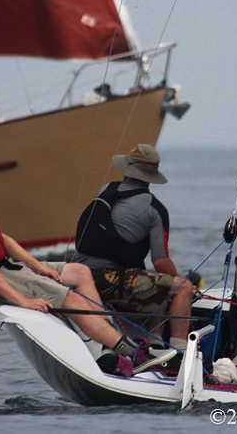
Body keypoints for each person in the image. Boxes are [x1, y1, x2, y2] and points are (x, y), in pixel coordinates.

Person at [0, 146, 176, 374]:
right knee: (72, 299)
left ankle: (107, 348)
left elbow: (0, 239)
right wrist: (25, 302)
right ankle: (133, 353)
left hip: (7, 268)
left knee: (80, 272)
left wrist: (38, 267)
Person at [74, 144, 195, 358]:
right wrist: (180, 281)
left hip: (80, 276)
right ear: (151, 176)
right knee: (181, 286)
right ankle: (179, 352)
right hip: (108, 282)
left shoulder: (106, 190)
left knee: (159, 281)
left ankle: (155, 343)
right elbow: (160, 261)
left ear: (127, 169)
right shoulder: (155, 210)